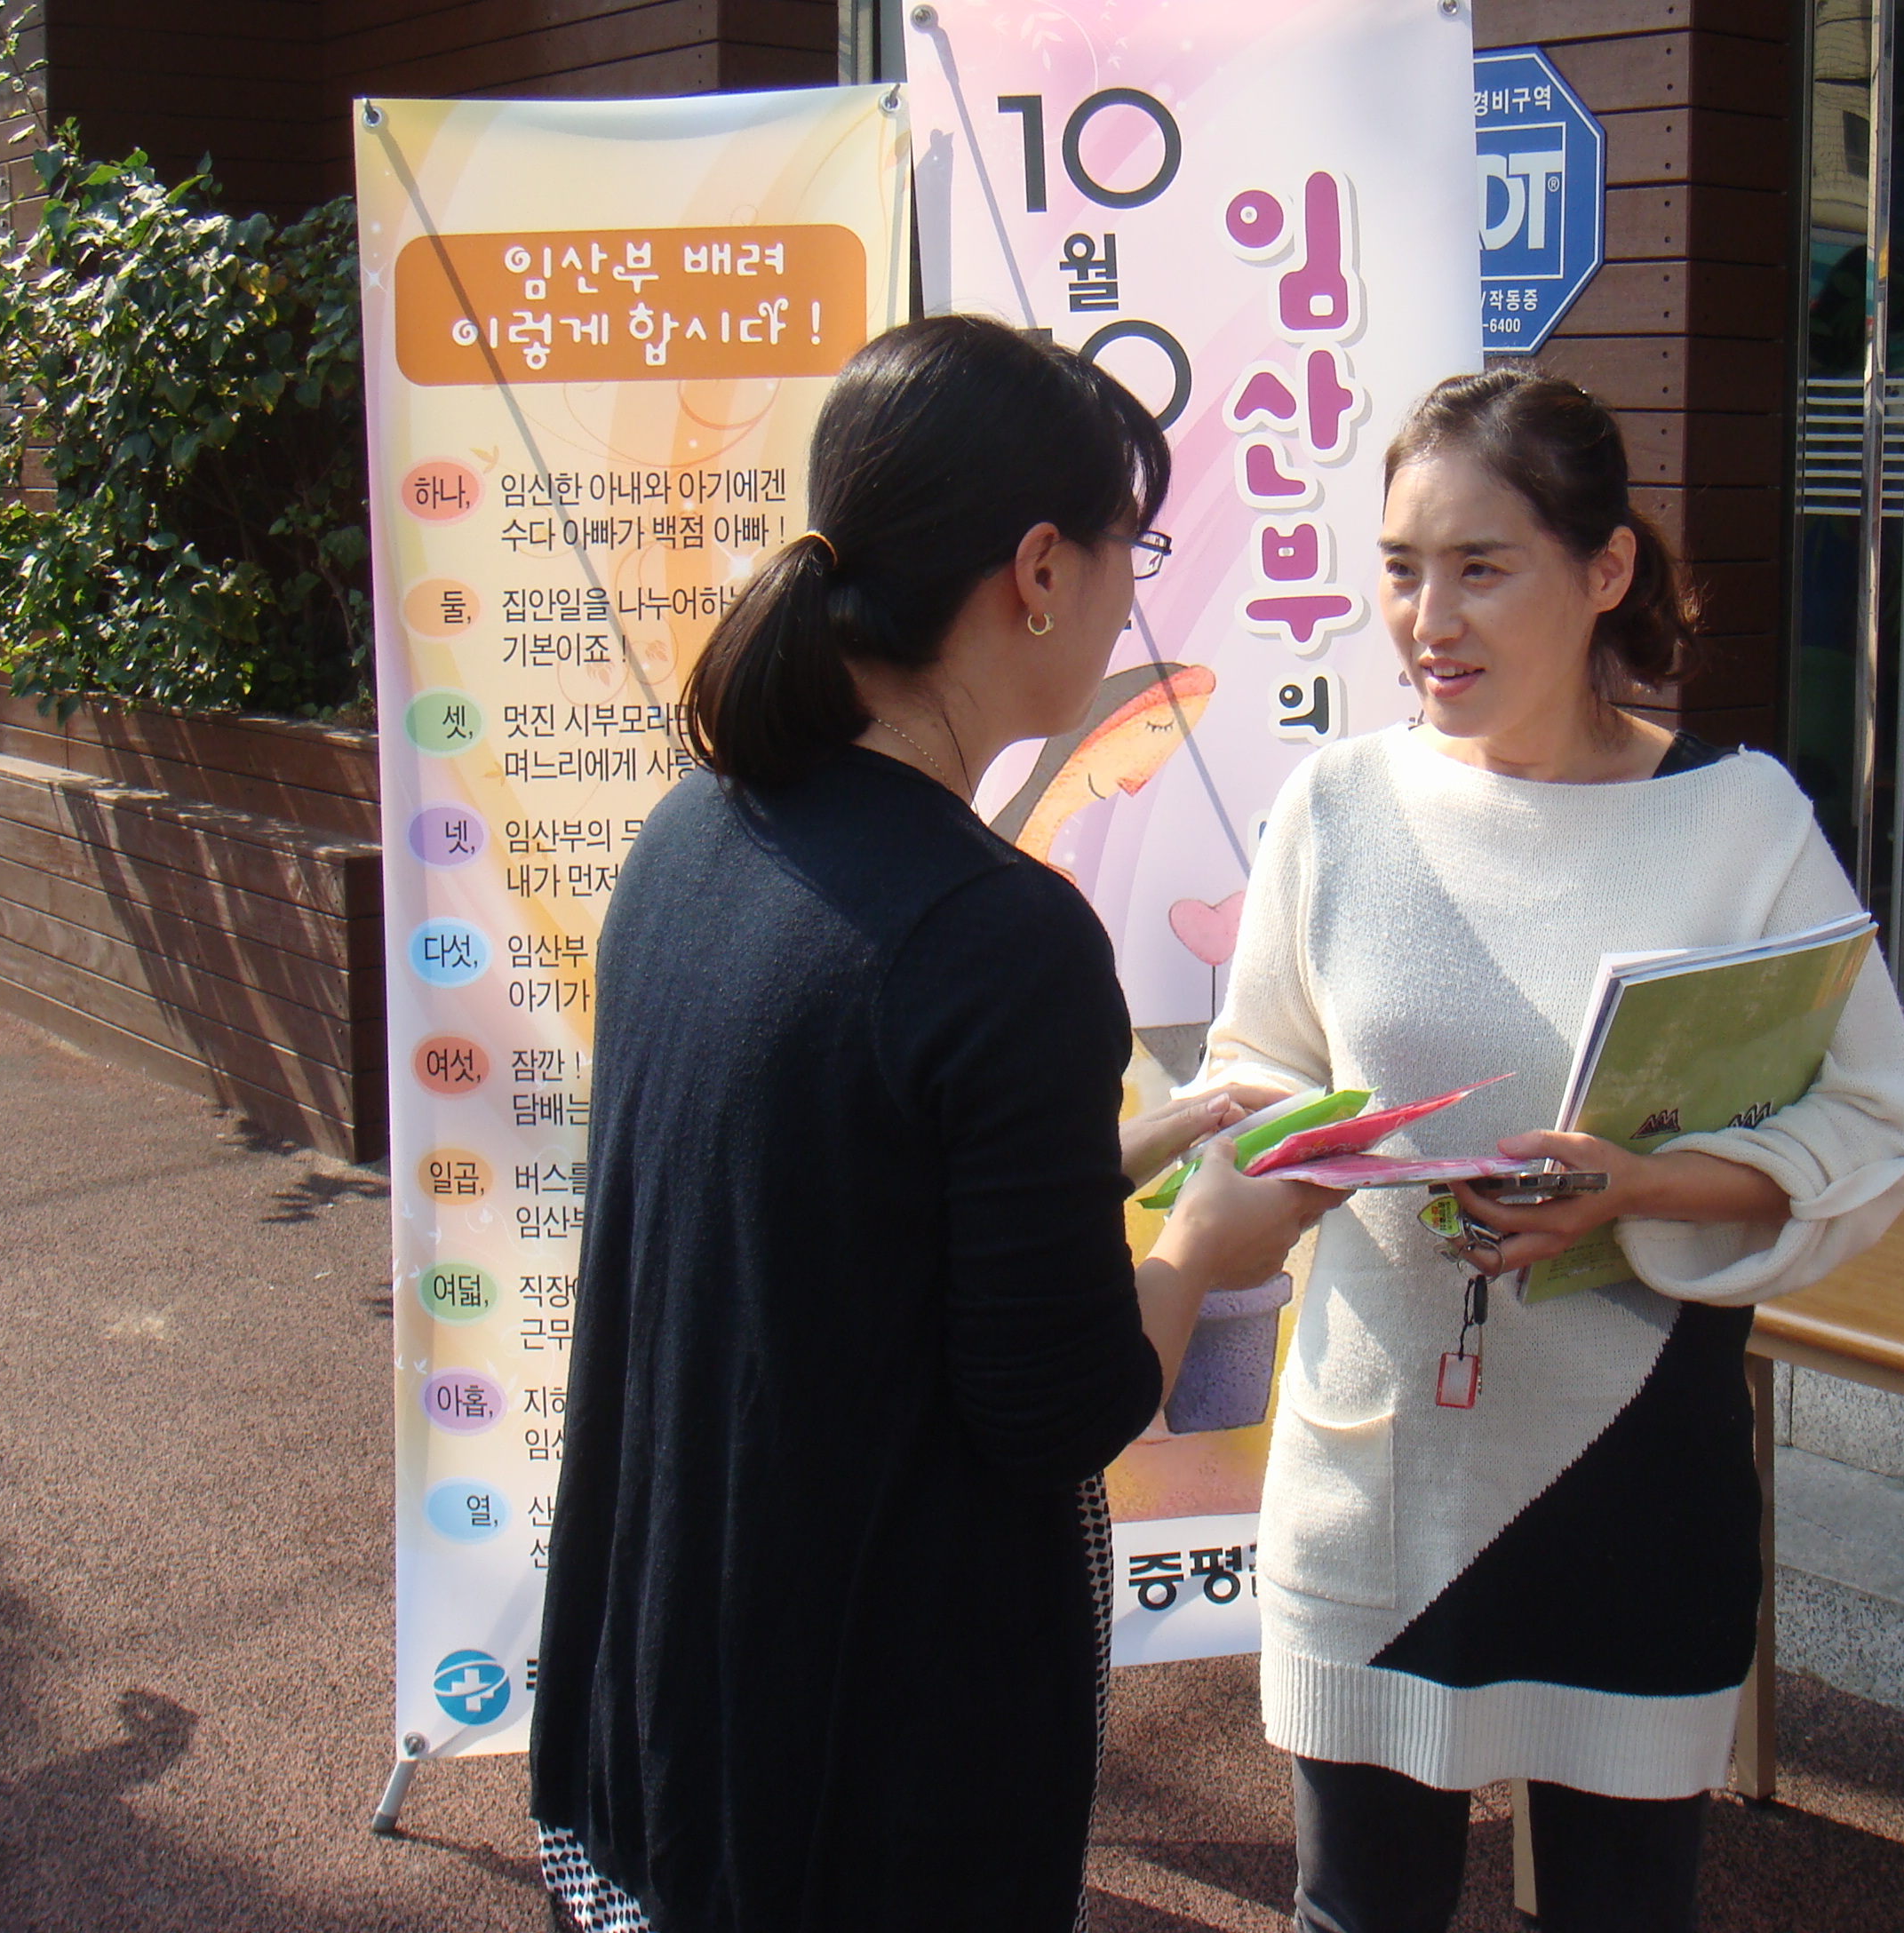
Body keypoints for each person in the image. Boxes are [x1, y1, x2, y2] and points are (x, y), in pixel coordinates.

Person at [528, 314, 1338, 1933]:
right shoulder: (999, 938)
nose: (1126, 595)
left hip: (660, 1701)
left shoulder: (698, 832)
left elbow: (829, 1203)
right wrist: (1204, 1241)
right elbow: (1056, 1404)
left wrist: (1118, 1152)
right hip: (861, 1762)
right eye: (1127, 551)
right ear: (1038, 570)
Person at [1193, 370, 1904, 1933]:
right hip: (1378, 1474)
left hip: (1638, 1477)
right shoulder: (1334, 804)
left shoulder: (1741, 820)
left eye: (1481, 567)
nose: (1428, 621)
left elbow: (1877, 1122)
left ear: (1605, 571)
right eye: (1401, 567)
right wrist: (1285, 1158)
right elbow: (1256, 1071)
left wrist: (1642, 1186)